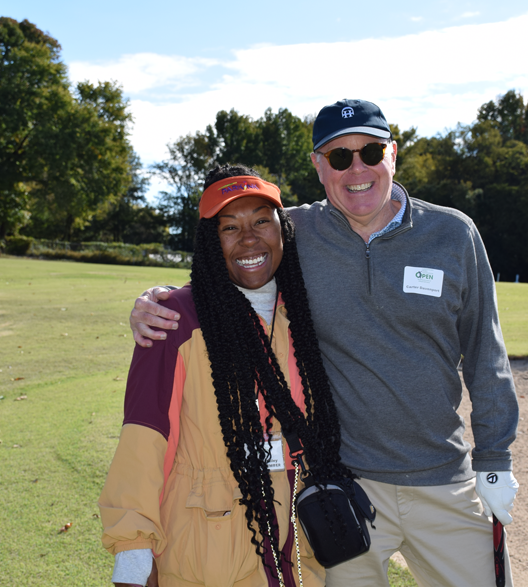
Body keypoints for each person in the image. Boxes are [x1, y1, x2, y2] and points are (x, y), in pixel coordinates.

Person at [130, 100, 520, 587]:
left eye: (370, 152)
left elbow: (487, 355)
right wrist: (156, 300)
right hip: (343, 490)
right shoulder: (293, 232)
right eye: (339, 157)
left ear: (392, 155)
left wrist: (495, 459)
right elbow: (232, 255)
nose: (357, 169)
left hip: (444, 480)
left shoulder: (453, 233)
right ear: (319, 166)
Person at [100, 165, 357, 587]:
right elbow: (143, 441)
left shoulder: (303, 318)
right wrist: (132, 556)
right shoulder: (174, 321)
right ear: (209, 240)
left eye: (260, 221)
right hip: (204, 553)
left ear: (282, 230)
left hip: (296, 550)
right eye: (229, 227)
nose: (249, 238)